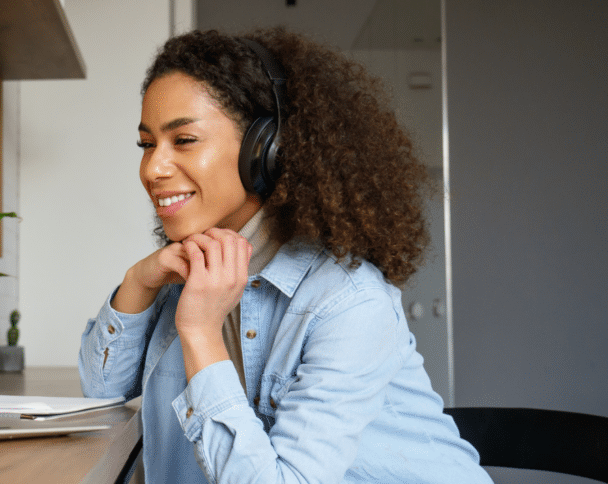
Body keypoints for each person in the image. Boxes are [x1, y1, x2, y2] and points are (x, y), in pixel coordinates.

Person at [78, 28, 492, 483]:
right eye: (146, 144)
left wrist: (199, 332)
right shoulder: (191, 270)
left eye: (184, 140)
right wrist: (138, 282)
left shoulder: (350, 304)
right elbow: (102, 394)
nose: (153, 168)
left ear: (265, 151)